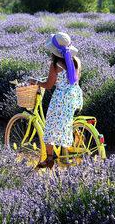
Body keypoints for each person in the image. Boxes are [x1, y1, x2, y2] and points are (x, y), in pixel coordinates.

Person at [29, 32, 83, 168]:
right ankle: (64, 154)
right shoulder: (75, 61)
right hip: (74, 96)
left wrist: (36, 82)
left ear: (54, 51)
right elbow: (72, 80)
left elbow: (48, 85)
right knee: (65, 123)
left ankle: (49, 159)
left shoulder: (56, 65)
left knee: (50, 128)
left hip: (61, 99)